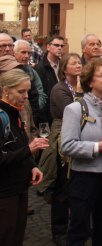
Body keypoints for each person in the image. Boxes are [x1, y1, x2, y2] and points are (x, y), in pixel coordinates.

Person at [61, 57, 102, 245]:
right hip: (84, 177)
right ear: (90, 82)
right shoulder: (75, 109)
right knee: (79, 227)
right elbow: (67, 145)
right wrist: (97, 147)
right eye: (100, 75)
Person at [39, 52, 83, 244]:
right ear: (64, 69)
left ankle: (76, 225)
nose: (78, 66)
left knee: (76, 183)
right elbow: (74, 112)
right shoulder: (59, 89)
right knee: (62, 185)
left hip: (80, 134)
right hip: (62, 135)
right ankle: (59, 230)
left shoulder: (83, 86)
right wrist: (81, 93)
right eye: (73, 63)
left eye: (79, 62)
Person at [0, 69, 48, 245]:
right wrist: (30, 149)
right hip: (5, 192)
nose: (26, 96)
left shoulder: (16, 111)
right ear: (6, 90)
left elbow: (18, 145)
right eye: (21, 91)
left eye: (27, 91)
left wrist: (32, 166)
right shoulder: (2, 116)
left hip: (20, 186)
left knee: (17, 236)